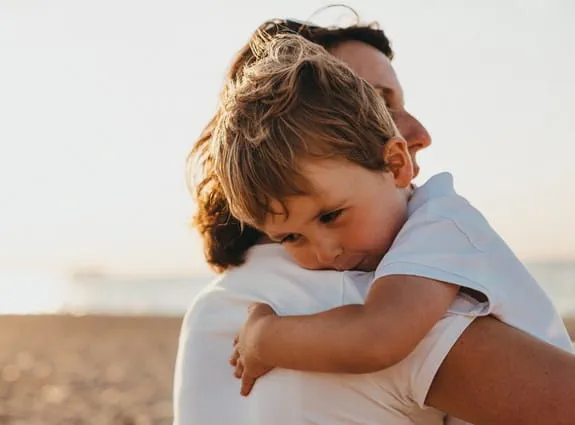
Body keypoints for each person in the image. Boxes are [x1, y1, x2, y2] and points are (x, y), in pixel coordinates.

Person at [173, 16, 575, 425]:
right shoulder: (354, 292)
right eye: (378, 103)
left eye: (331, 216)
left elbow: (378, 333)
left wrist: (265, 337)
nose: (421, 132)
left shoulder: (214, 309)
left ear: (394, 162)